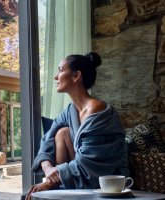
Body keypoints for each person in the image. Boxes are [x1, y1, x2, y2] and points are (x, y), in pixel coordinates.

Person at [25, 52, 129, 200]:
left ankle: (59, 188)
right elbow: (47, 138)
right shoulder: (70, 111)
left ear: (76, 76)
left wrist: (48, 183)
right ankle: (61, 189)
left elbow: (89, 163)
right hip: (77, 177)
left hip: (105, 180)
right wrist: (48, 168)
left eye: (60, 70)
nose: (56, 77)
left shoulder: (99, 112)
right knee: (62, 132)